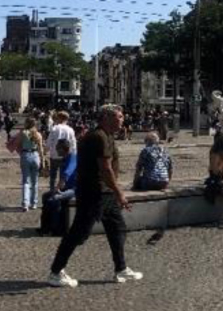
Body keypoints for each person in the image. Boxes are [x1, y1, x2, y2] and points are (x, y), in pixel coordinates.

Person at [46, 105, 141, 288]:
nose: (122, 120)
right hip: (94, 192)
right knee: (78, 234)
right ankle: (56, 272)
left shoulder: (108, 136)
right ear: (106, 118)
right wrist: (119, 193)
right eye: (119, 117)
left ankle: (121, 269)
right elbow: (105, 168)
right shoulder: (98, 137)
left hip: (104, 192)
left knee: (117, 229)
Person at [15, 119, 45, 211]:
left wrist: (21, 153)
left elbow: (17, 145)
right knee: (35, 181)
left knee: (26, 181)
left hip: (26, 155)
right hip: (35, 156)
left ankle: (25, 204)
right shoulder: (38, 134)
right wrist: (42, 160)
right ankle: (34, 203)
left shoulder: (23, 133)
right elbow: (41, 149)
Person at [45, 111, 77, 192]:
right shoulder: (70, 130)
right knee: (63, 176)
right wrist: (73, 155)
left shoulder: (54, 128)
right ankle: (61, 191)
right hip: (66, 156)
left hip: (54, 155)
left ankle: (52, 192)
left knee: (53, 176)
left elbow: (49, 141)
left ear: (58, 118)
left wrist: (46, 150)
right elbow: (73, 144)